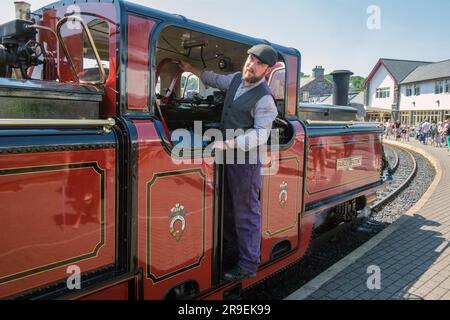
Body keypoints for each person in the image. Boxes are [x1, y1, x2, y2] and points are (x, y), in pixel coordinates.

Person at [179, 44, 279, 281]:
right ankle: (232, 252)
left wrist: (227, 144)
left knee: (246, 213)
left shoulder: (265, 99)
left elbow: (261, 135)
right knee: (226, 208)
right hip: (226, 157)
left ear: (266, 69)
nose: (251, 65)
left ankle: (248, 264)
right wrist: (191, 68)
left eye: (258, 63)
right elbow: (214, 79)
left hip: (245, 161)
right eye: (250, 59)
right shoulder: (236, 79)